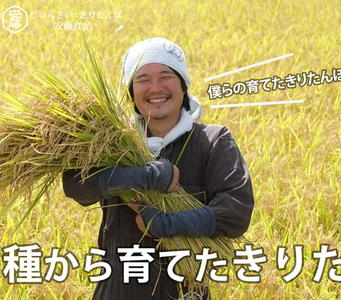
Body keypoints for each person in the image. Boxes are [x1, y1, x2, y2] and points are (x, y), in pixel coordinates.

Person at [62, 37, 254, 300]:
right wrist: (141, 177)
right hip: (117, 289)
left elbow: (237, 212)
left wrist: (169, 224)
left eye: (166, 76)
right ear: (131, 90)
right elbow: (76, 186)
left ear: (183, 85)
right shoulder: (111, 144)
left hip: (184, 291)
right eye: (142, 79)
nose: (155, 88)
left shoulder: (212, 142)